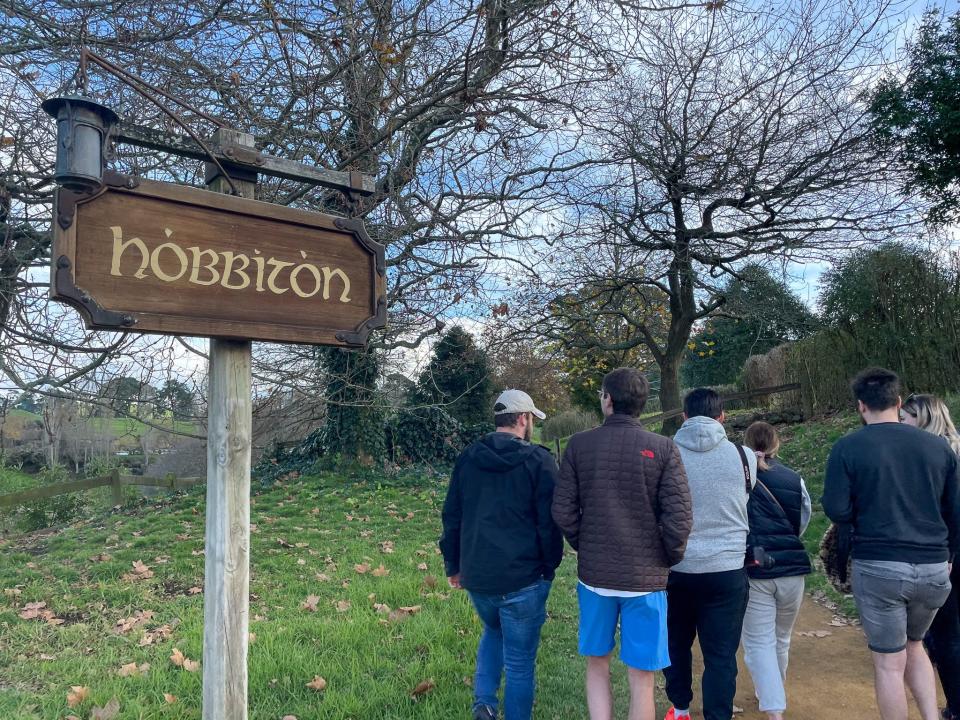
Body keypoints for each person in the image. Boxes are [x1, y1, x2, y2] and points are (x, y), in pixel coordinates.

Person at [552, 367, 692, 720]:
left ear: (608, 399)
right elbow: (679, 518)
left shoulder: (579, 445)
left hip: (595, 578)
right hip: (646, 582)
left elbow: (563, 509)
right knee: (642, 675)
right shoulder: (664, 448)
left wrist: (585, 543)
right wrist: (666, 558)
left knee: (597, 663)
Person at [822, 368, 960, 720]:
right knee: (916, 647)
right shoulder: (938, 447)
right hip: (934, 568)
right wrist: (948, 557)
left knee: (888, 662)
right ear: (898, 403)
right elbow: (954, 510)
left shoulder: (848, 448)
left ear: (860, 407)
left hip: (879, 565)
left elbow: (836, 508)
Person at [439, 389, 564, 720]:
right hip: (524, 579)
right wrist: (549, 568)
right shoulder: (539, 461)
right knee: (520, 661)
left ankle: (485, 703)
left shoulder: (467, 457)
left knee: (493, 630)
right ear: (523, 419)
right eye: (531, 419)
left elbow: (452, 515)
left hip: (478, 575)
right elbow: (549, 524)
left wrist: (453, 564)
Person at [662, 387, 756, 720]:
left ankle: (681, 708)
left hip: (676, 567)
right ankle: (718, 715)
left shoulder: (666, 453)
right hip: (727, 568)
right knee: (721, 655)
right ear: (723, 417)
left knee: (676, 644)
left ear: (684, 416)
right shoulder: (746, 457)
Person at [740, 421, 812, 720]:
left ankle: (774, 707)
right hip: (792, 569)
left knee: (758, 641)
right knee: (781, 638)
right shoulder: (795, 479)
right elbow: (803, 520)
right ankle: (773, 690)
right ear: (775, 444)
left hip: (757, 569)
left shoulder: (741, 479)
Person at [901, 393, 960, 720]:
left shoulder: (930, 456)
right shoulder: (954, 448)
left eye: (906, 418)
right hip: (949, 548)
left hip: (945, 553)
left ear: (922, 418)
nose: (901, 424)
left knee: (944, 634)